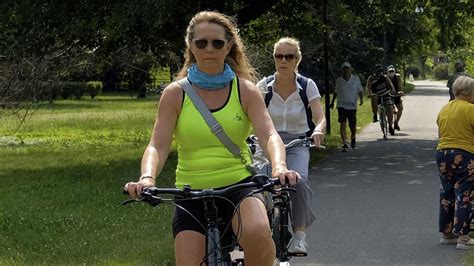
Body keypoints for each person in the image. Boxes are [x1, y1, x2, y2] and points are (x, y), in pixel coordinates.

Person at [124, 11, 299, 265]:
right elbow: (158, 144)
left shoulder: (245, 90)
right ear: (190, 46)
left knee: (257, 231)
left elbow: (269, 134)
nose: (209, 49)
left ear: (228, 46)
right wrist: (147, 178)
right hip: (191, 193)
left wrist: (279, 166)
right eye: (201, 43)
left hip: (239, 188)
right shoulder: (175, 94)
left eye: (217, 43)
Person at [256, 37, 326, 255]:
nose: (283, 60)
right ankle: (262, 221)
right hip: (266, 141)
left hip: (297, 142)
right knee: (256, 181)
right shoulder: (263, 86)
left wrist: (318, 130)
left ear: (297, 60)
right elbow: (252, 116)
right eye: (279, 56)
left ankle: (299, 236)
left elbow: (320, 117)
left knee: (300, 180)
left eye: (289, 56)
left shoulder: (307, 86)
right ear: (274, 58)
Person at [436, 75, 474, 250]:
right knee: (464, 193)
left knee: (447, 193)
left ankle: (447, 233)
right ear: (467, 93)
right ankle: (463, 237)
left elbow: (440, 134)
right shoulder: (470, 109)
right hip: (463, 154)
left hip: (442, 153)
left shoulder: (444, 109)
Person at [330, 61, 363, 151]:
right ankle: (344, 143)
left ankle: (353, 136)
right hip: (341, 105)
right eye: (344, 69)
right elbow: (336, 92)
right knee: (343, 124)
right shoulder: (339, 80)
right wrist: (332, 102)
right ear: (342, 70)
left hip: (352, 106)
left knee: (352, 126)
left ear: (351, 69)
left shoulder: (356, 79)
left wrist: (361, 99)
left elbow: (360, 90)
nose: (346, 71)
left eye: (347, 69)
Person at [367, 64, 397, 135]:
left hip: (385, 94)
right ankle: (375, 115)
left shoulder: (385, 77)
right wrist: (370, 93)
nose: (379, 72)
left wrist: (393, 90)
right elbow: (368, 87)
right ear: (375, 71)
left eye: (380, 71)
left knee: (390, 107)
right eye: (378, 71)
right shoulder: (371, 78)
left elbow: (390, 85)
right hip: (376, 95)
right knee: (374, 97)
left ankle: (390, 126)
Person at [386, 65, 404, 131]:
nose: (391, 72)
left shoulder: (397, 76)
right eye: (390, 71)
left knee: (400, 107)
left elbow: (399, 85)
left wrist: (400, 91)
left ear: (394, 71)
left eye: (392, 71)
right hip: (388, 95)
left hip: (396, 94)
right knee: (389, 108)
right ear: (387, 72)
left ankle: (396, 123)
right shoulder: (385, 77)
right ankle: (389, 125)